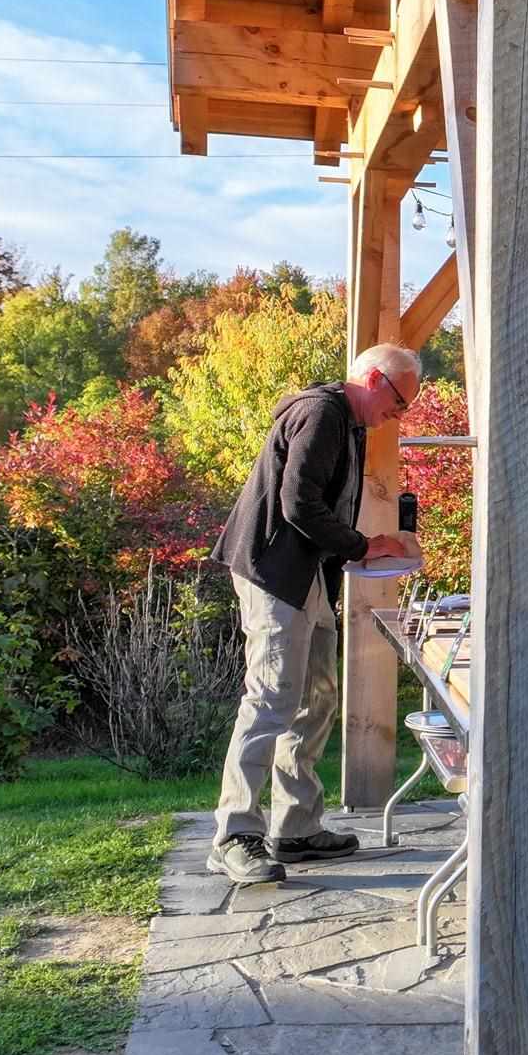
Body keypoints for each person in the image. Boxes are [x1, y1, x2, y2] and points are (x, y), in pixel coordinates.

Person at [206, 344, 423, 887]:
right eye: (397, 403)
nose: (397, 417)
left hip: (309, 580)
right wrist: (363, 547)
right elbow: (297, 504)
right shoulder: (322, 413)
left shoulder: (348, 424)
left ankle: (296, 827)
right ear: (372, 379)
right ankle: (235, 834)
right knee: (272, 698)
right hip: (275, 573)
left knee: (318, 696)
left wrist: (354, 549)